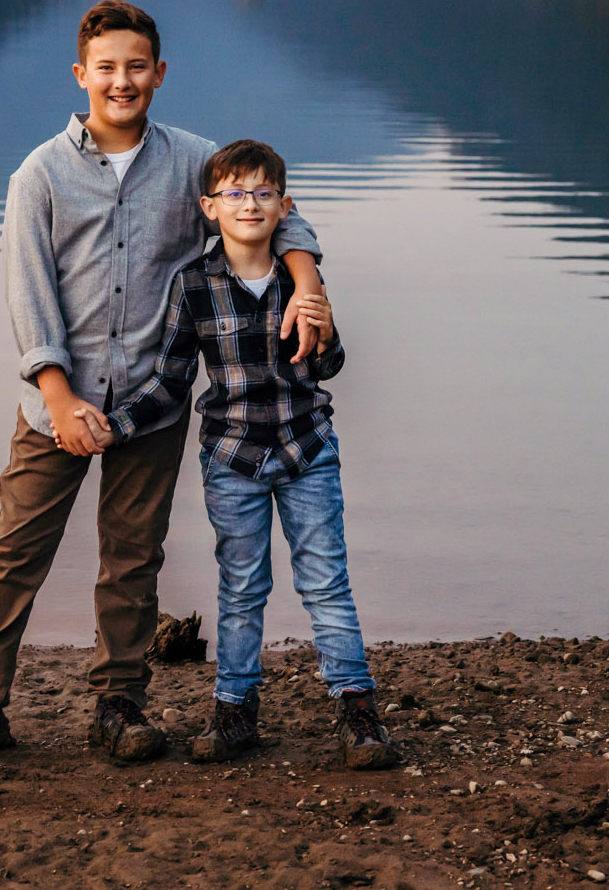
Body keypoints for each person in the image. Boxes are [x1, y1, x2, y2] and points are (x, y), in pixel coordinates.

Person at [0, 0, 327, 764]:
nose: (121, 81)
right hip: (54, 402)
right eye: (106, 68)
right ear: (81, 74)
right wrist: (58, 398)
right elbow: (29, 296)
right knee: (15, 550)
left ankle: (119, 703)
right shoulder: (40, 175)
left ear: (159, 74)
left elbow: (277, 212)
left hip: (151, 403)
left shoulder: (196, 162)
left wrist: (308, 281)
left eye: (136, 67)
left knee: (133, 555)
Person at [98, 138, 398, 770]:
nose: (249, 204)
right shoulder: (195, 285)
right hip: (231, 459)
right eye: (234, 193)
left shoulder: (301, 278)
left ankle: (357, 711)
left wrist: (326, 324)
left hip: (306, 448)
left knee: (326, 582)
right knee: (241, 587)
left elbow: (330, 367)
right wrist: (116, 424)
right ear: (210, 207)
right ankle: (235, 711)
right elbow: (173, 381)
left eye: (263, 193)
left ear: (283, 205)